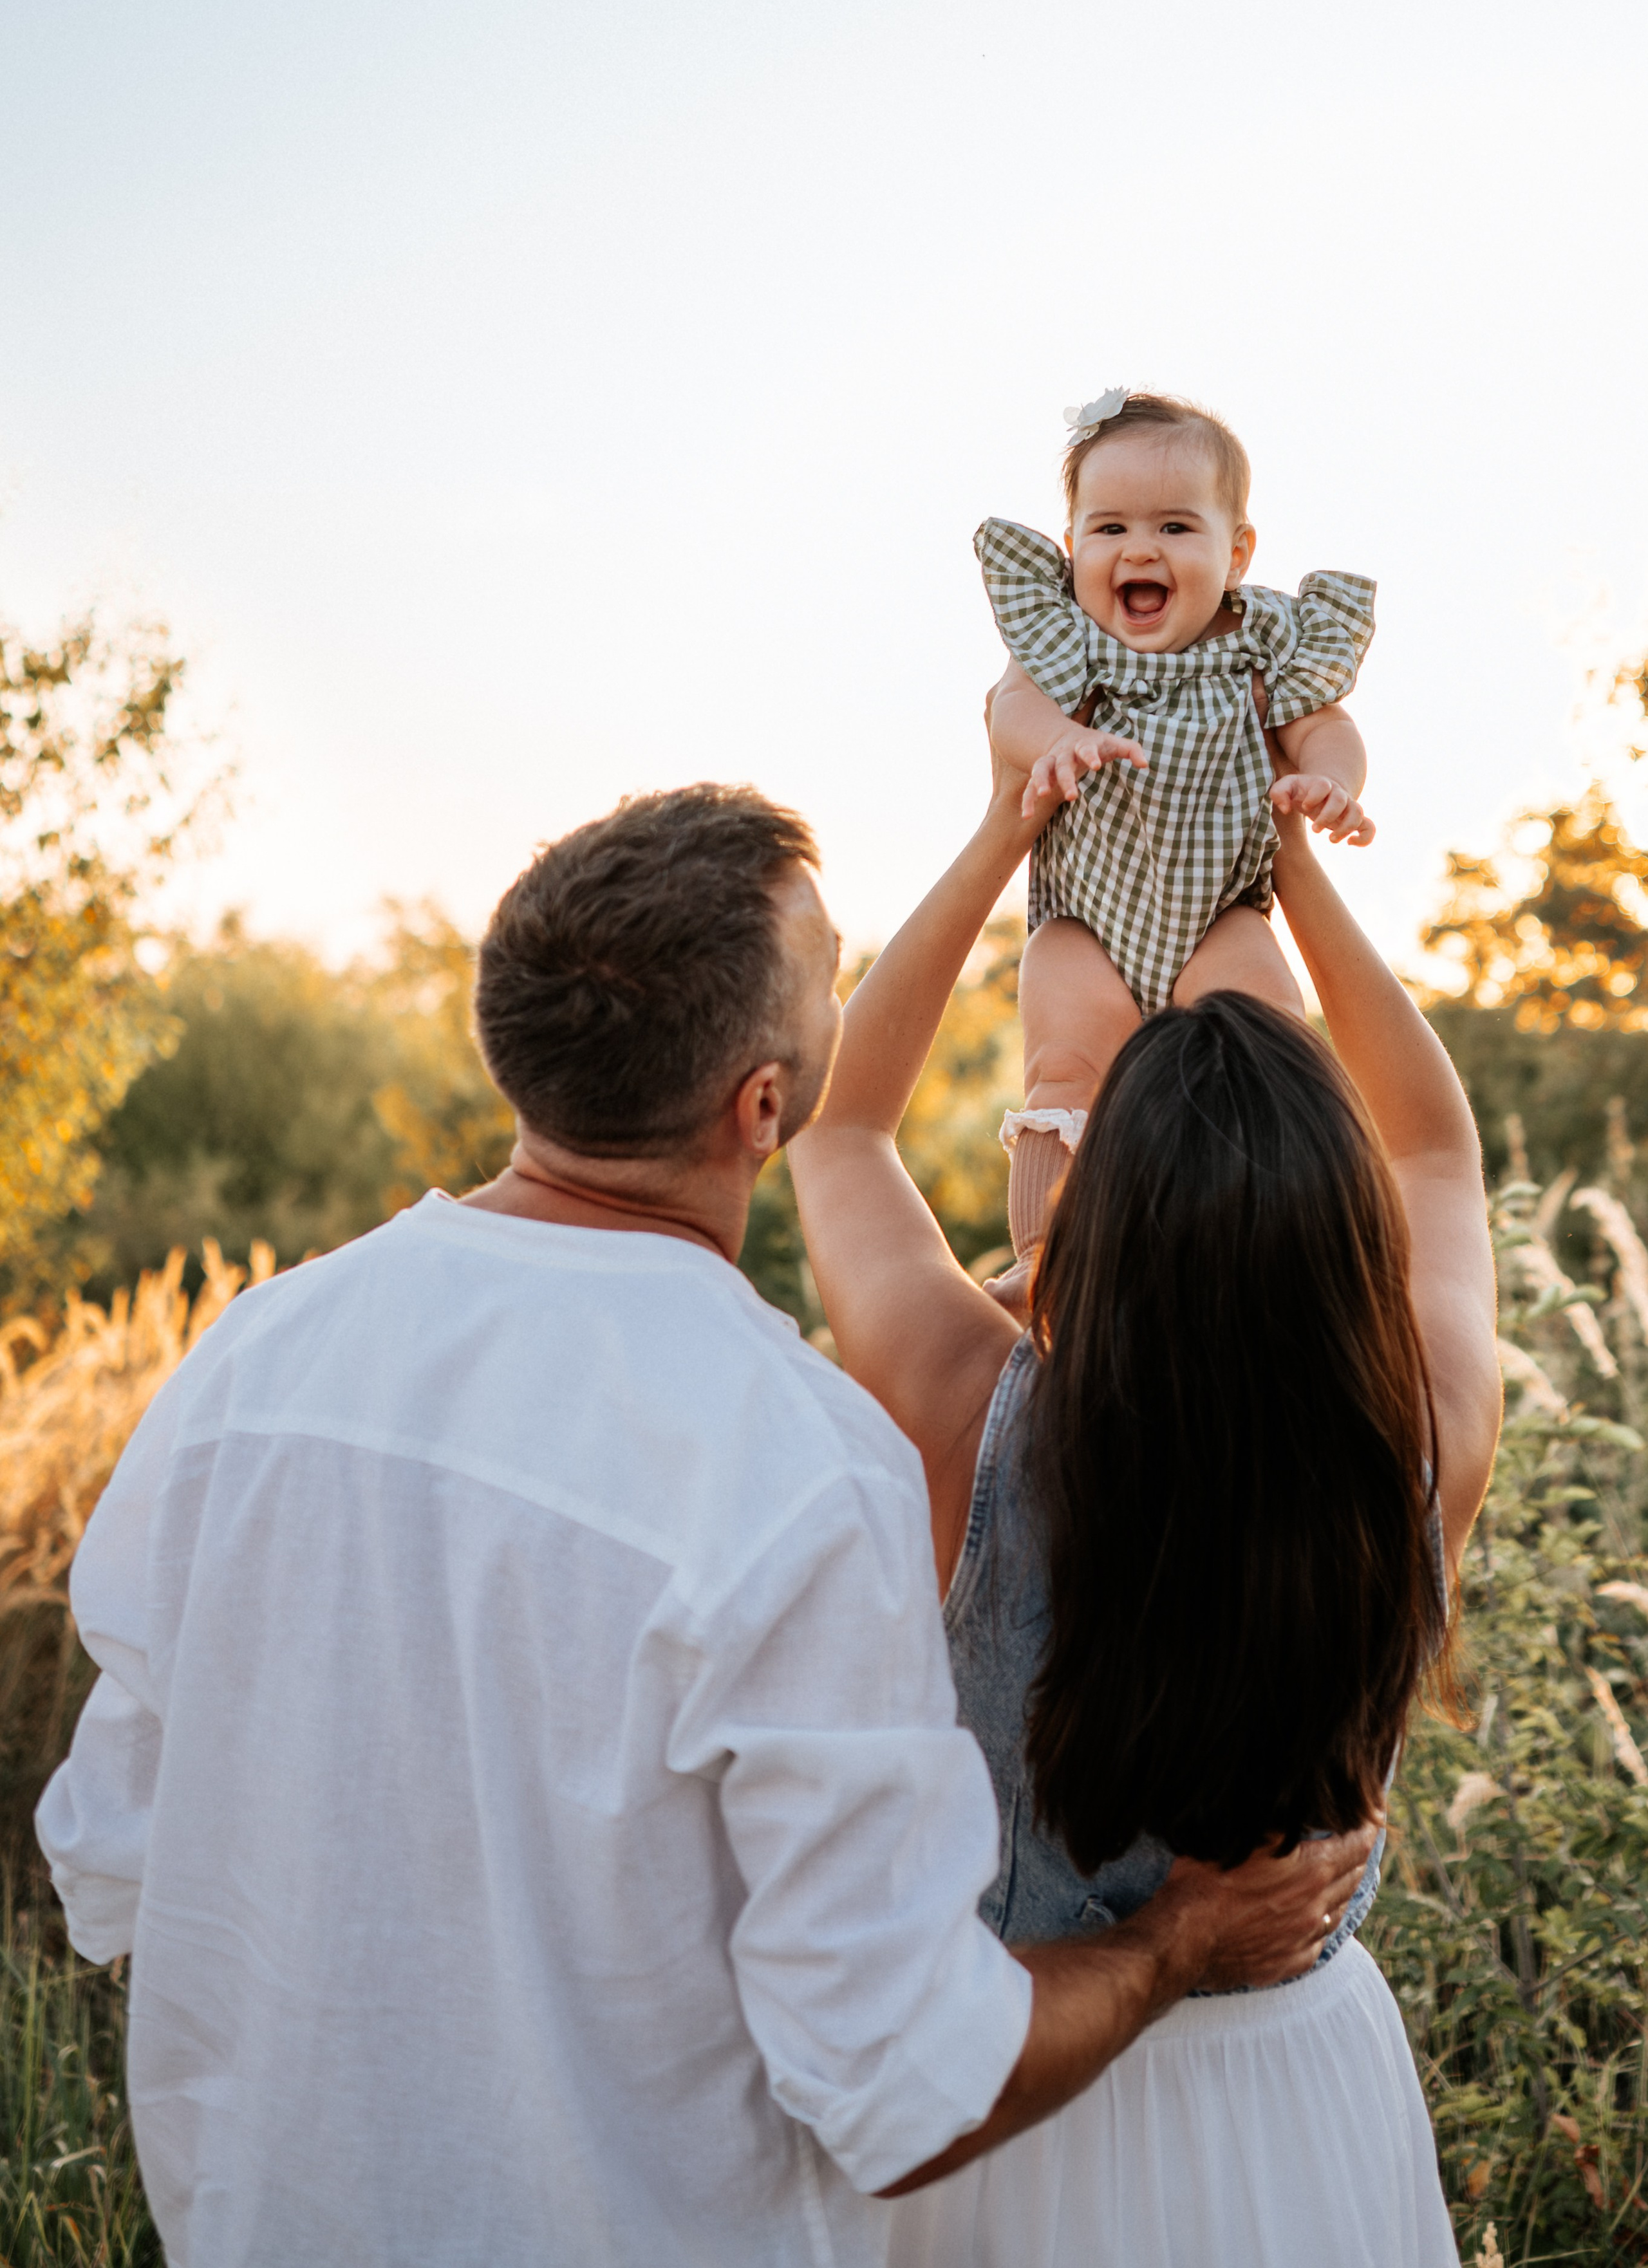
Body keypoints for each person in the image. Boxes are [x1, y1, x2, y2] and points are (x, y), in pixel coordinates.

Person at [35, 781, 1372, 2268]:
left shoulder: (253, 1362)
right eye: (828, 975)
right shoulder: (795, 1465)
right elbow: (900, 2078)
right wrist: (1171, 1940)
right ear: (761, 1102)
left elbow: (107, 1862)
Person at [787, 728, 1502, 2267]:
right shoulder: (1430, 1424)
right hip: (1305, 2085)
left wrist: (1001, 832)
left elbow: (836, 1128)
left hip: (1022, 2087)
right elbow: (1437, 1145)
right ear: (1340, 1219)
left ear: (1094, 1215)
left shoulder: (965, 1412)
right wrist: (1285, 866)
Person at [979, 387, 1377, 1303]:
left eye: (1176, 527)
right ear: (1073, 546)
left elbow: (1325, 726)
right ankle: (1046, 1257)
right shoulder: (1068, 640)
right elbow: (1012, 709)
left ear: (1237, 551)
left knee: (1273, 1037)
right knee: (1064, 1066)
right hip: (1086, 918)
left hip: (1220, 914)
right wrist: (1058, 741)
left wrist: (1334, 783)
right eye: (1109, 528)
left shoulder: (1261, 645)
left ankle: (1284, 1233)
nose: (1140, 550)